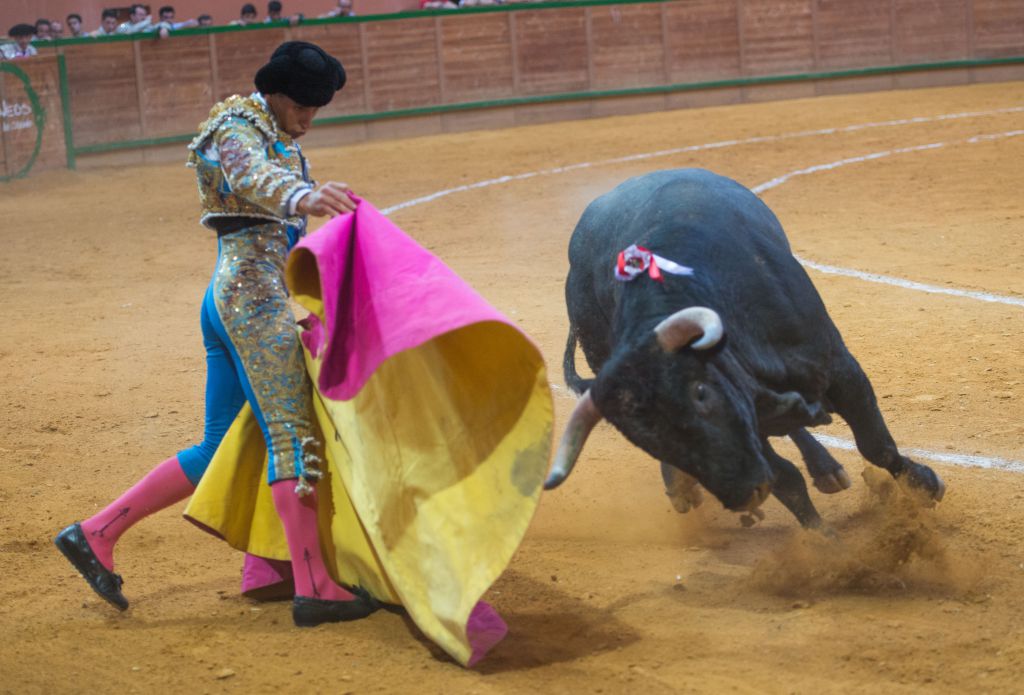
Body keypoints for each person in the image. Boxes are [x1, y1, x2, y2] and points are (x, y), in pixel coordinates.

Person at [54, 40, 376, 629]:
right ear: (276, 93)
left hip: (237, 294)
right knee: (291, 435)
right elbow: (252, 177)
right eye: (303, 106)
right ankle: (314, 586)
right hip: (250, 299)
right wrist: (304, 194)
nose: (309, 118)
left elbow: (274, 201)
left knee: (217, 447)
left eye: (316, 109)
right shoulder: (236, 125)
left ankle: (95, 532)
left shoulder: (266, 128)